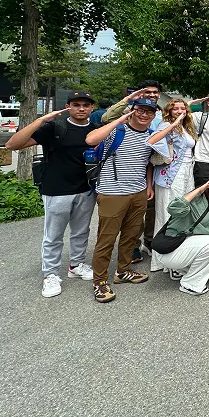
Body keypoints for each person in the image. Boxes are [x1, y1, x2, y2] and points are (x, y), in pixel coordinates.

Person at [5, 91, 99, 297]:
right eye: (76, 105)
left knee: (81, 231)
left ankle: (76, 265)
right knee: (53, 236)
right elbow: (13, 144)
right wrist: (41, 120)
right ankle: (51, 274)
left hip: (86, 189)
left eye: (86, 105)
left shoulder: (95, 129)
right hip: (56, 190)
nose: (81, 108)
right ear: (68, 107)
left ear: (92, 108)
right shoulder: (55, 127)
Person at [86, 99, 157, 303]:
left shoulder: (151, 136)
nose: (144, 115)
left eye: (149, 112)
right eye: (140, 111)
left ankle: (123, 270)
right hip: (112, 192)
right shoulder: (117, 131)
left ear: (153, 116)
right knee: (106, 238)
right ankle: (99, 281)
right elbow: (91, 140)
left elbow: (149, 163)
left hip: (138, 191)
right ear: (132, 112)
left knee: (132, 234)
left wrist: (149, 186)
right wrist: (121, 120)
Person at [159, 172, 209, 296]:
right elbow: (173, 208)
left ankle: (180, 270)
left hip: (191, 248)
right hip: (173, 247)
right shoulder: (196, 199)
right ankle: (190, 284)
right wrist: (198, 190)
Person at [147, 98, 197, 273]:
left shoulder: (186, 126)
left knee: (182, 213)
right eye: (175, 108)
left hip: (187, 172)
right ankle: (161, 260)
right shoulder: (164, 124)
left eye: (182, 108)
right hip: (170, 174)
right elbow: (152, 140)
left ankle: (178, 255)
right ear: (169, 111)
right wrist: (173, 123)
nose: (179, 111)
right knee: (166, 214)